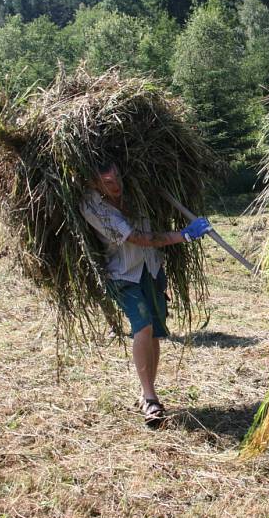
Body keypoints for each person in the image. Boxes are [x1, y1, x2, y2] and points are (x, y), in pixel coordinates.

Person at [79, 162, 212, 428]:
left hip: (151, 269)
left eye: (117, 177)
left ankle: (146, 392)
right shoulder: (92, 205)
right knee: (143, 326)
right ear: (95, 184)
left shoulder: (137, 189)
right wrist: (184, 235)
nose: (116, 186)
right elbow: (137, 238)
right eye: (107, 182)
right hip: (122, 274)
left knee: (154, 333)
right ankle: (151, 400)